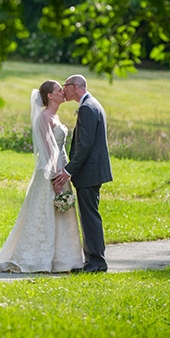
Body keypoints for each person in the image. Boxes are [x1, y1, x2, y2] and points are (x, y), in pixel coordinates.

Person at [0, 80, 84, 273]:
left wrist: (64, 174)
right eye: (58, 90)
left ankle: (62, 259)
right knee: (43, 212)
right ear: (50, 96)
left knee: (61, 214)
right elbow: (49, 151)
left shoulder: (55, 116)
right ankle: (36, 257)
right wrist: (56, 176)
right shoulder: (44, 118)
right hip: (50, 171)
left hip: (61, 170)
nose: (62, 92)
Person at [52, 75, 113, 273]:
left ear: (75, 86)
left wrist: (69, 170)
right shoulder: (92, 104)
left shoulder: (87, 107)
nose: (64, 90)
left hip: (90, 171)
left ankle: (96, 263)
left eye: (65, 87)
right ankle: (92, 261)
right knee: (89, 216)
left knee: (90, 217)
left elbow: (85, 145)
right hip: (93, 171)